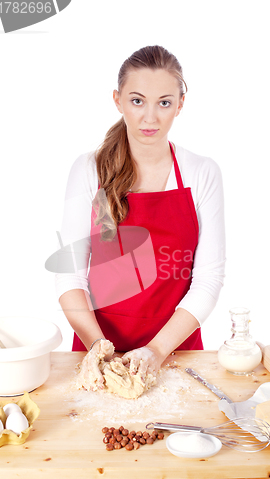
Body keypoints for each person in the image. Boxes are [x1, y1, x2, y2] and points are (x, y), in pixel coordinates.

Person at [56, 45, 226, 386]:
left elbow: (208, 279)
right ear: (118, 101)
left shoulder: (201, 173)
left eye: (164, 102)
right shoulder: (91, 171)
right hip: (97, 346)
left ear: (180, 104)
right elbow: (70, 278)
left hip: (177, 351)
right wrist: (99, 349)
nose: (150, 117)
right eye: (137, 101)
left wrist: (157, 350)